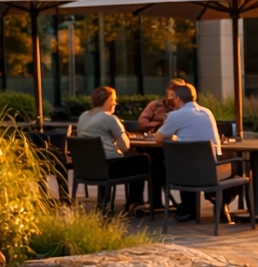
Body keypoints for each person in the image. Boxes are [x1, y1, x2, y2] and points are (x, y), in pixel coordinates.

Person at [156, 81, 236, 221]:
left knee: (158, 165)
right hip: (210, 171)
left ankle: (186, 208)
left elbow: (158, 138)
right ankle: (220, 202)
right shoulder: (207, 112)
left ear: (177, 98)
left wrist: (172, 137)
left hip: (184, 174)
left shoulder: (175, 115)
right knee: (239, 166)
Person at [76, 86, 148, 212]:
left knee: (105, 156)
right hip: (110, 168)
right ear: (108, 101)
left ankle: (104, 201)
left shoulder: (83, 116)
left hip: (88, 168)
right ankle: (135, 202)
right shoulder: (110, 119)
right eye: (114, 99)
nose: (115, 102)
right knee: (144, 160)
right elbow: (125, 147)